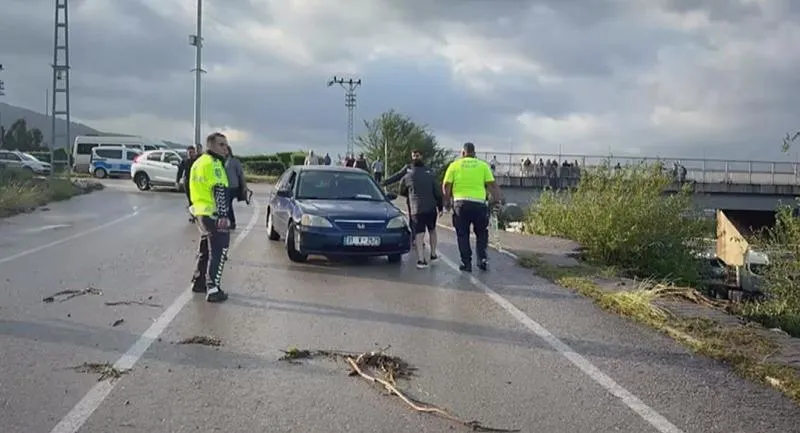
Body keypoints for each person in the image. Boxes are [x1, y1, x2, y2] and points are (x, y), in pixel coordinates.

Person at [442, 142, 503, 272]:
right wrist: (497, 200)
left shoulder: (454, 165)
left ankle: (466, 263)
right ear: (474, 154)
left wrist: (447, 202)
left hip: (460, 205)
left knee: (462, 234)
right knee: (481, 233)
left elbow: (446, 185)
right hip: (479, 204)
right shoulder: (483, 166)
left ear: (462, 153)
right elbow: (492, 185)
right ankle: (482, 259)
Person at [189, 132, 231, 303]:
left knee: (205, 248)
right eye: (221, 144)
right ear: (211, 146)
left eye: (226, 145)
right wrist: (223, 215)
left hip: (199, 212)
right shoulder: (214, 164)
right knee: (219, 250)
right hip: (213, 213)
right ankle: (213, 287)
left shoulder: (197, 163)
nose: (225, 148)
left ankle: (198, 281)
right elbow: (219, 189)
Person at [400, 156, 443, 269]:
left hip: (416, 209)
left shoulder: (408, 176)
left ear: (412, 166)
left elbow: (401, 190)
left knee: (419, 234)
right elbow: (437, 192)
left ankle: (421, 259)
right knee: (432, 230)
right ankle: (433, 255)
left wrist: (410, 195)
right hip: (431, 208)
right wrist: (440, 206)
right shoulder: (430, 175)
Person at [382, 149, 423, 244]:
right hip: (411, 198)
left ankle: (420, 237)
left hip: (423, 197)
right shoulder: (408, 168)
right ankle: (413, 238)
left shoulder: (425, 168)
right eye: (414, 156)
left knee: (422, 218)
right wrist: (384, 183)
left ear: (421, 156)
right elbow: (397, 176)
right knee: (413, 218)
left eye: (417, 155)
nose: (415, 157)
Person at [223, 144, 247, 230]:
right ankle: (228, 221)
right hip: (224, 186)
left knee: (227, 204)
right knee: (225, 204)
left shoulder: (234, 161)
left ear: (229, 151)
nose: (224, 151)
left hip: (232, 186)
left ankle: (232, 222)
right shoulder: (220, 160)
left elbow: (240, 174)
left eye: (225, 150)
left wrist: (244, 186)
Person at [176, 145, 198, 222]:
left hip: (196, 182)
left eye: (192, 152)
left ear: (195, 152)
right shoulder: (184, 161)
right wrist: (177, 181)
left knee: (196, 199)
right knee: (190, 200)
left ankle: (198, 215)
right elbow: (180, 172)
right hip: (187, 182)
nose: (190, 154)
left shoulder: (198, 161)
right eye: (189, 152)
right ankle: (193, 216)